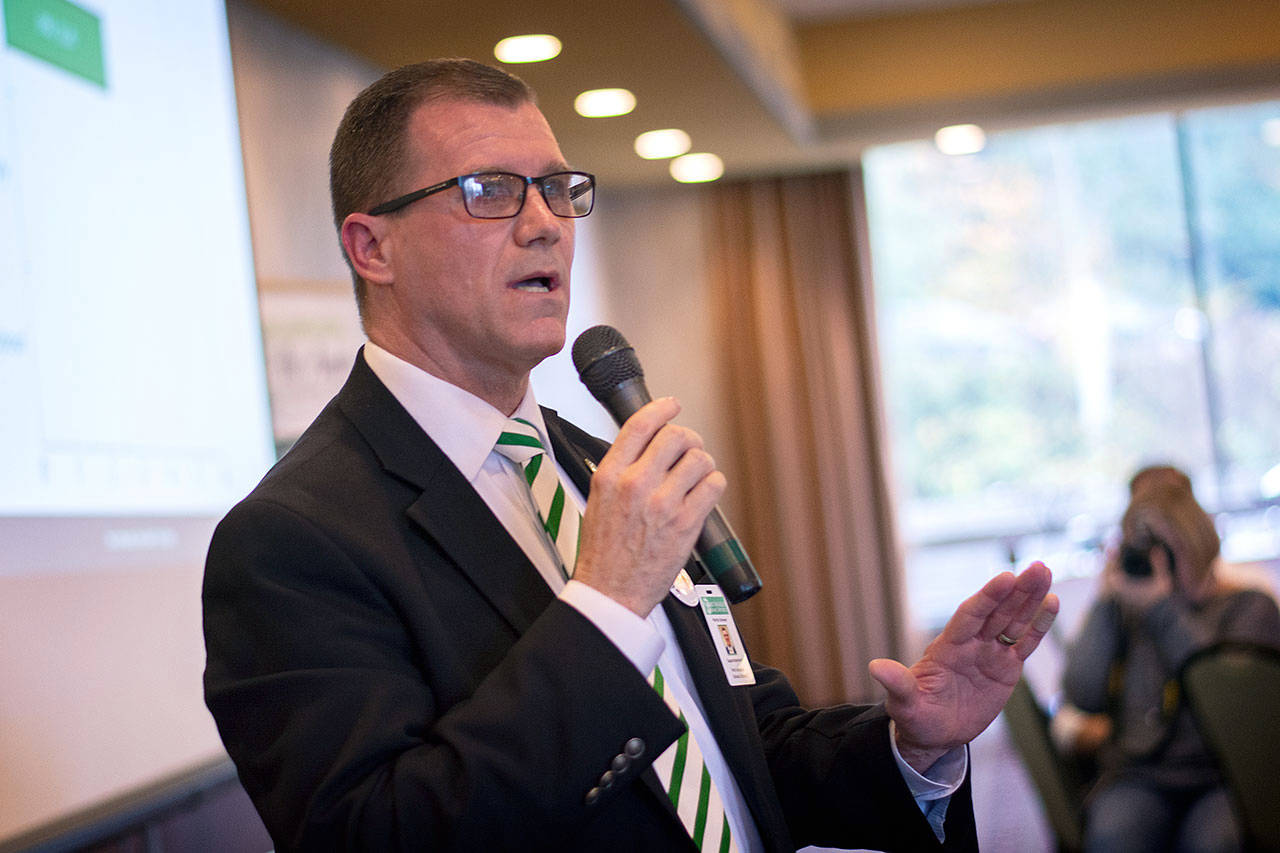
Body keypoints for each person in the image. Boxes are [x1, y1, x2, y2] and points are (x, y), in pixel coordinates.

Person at [202, 58, 1058, 852]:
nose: (545, 225)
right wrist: (607, 604)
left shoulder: (594, 467)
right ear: (371, 247)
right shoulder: (292, 540)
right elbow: (379, 833)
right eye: (490, 191)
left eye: (557, 189)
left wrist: (915, 744)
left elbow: (741, 748)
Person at [1061, 465, 1280, 852]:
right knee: (1112, 839)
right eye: (1142, 549)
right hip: (1139, 775)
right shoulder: (1126, 611)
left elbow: (1226, 695)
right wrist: (1107, 601)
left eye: (1165, 548)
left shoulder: (1249, 605)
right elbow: (1082, 694)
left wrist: (1163, 610)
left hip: (1223, 776)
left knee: (1215, 844)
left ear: (1194, 543)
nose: (1153, 563)